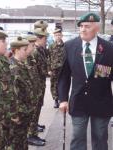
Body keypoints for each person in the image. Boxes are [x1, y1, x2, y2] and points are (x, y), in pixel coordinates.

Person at [58, 12, 113, 150]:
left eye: (87, 26)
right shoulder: (69, 46)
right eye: (81, 26)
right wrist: (63, 99)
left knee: (100, 137)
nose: (83, 29)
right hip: (78, 101)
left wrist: (102, 71)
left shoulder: (109, 48)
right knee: (77, 137)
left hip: (101, 101)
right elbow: (64, 76)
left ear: (97, 28)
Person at [9, 36, 34, 150]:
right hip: (19, 114)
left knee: (23, 141)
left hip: (26, 112)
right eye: (25, 49)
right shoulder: (13, 68)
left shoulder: (22, 65)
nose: (27, 52)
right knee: (17, 143)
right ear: (17, 50)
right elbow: (12, 95)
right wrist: (15, 114)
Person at [25, 33, 46, 146]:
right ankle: (31, 135)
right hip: (31, 92)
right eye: (32, 45)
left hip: (36, 88)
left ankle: (33, 131)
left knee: (36, 110)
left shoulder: (31, 57)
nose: (34, 47)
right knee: (32, 112)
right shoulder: (26, 59)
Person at [48, 28, 66, 108]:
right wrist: (48, 69)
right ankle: (55, 100)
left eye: (59, 35)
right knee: (54, 84)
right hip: (54, 68)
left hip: (63, 69)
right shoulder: (51, 46)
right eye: (56, 35)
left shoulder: (65, 46)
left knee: (62, 84)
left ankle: (61, 99)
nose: (58, 37)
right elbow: (48, 58)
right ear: (54, 36)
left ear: (62, 35)